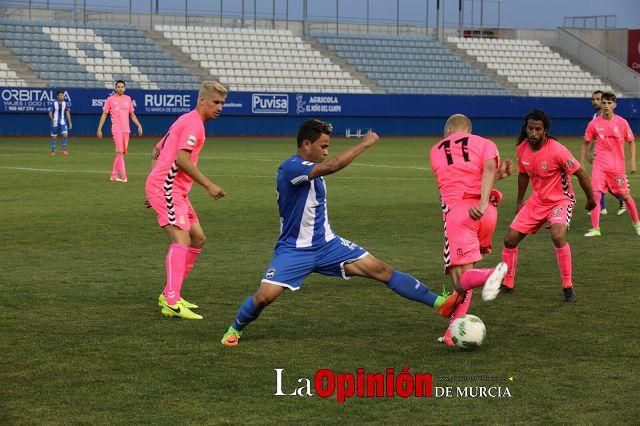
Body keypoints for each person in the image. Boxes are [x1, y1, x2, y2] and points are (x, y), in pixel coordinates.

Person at [221, 119, 464, 347]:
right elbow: (333, 165)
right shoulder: (291, 167)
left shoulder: (310, 169)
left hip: (328, 245)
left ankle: (439, 303)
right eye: (323, 146)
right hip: (294, 250)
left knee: (382, 270)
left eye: (328, 147)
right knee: (264, 297)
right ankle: (234, 329)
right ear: (306, 145)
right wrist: (364, 144)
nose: (326, 151)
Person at [145, 81, 227, 320]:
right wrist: (209, 185)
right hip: (168, 189)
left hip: (173, 190)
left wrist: (154, 181)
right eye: (216, 102)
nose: (220, 107)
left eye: (222, 103)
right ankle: (171, 300)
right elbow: (181, 159)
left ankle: (170, 293)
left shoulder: (186, 119)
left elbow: (156, 149)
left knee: (197, 239)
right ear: (203, 101)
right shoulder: (194, 125)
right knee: (181, 239)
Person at [429, 114, 512, 346]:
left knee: (460, 281)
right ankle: (452, 333)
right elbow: (486, 170)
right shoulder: (485, 143)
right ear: (469, 129)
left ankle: (491, 273)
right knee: (468, 274)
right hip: (488, 214)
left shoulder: (436, 150)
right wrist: (494, 185)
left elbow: (458, 183)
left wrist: (480, 202)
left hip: (460, 213)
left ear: (447, 129)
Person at [500, 109, 596, 303]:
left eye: (537, 129)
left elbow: (581, 173)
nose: (533, 133)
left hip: (561, 200)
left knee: (558, 235)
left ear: (545, 131)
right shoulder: (522, 148)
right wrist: (520, 201)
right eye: (530, 128)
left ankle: (567, 286)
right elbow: (524, 174)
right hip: (537, 201)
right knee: (509, 239)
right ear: (525, 129)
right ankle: (508, 281)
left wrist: (591, 199)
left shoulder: (558, 150)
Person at [581, 92, 639, 237]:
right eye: (604, 102)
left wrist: (632, 161)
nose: (606, 105)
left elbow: (631, 142)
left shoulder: (622, 122)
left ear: (614, 105)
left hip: (617, 168)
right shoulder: (594, 124)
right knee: (596, 195)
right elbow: (585, 142)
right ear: (601, 104)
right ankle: (596, 228)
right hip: (599, 166)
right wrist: (581, 163)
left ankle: (637, 223)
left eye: (609, 103)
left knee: (625, 196)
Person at [586, 90, 625, 216]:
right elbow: (594, 137)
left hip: (609, 157)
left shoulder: (608, 117)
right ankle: (601, 207)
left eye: (598, 99)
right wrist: (591, 151)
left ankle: (620, 200)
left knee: (605, 182)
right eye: (593, 99)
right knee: (600, 182)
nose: (595, 102)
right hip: (601, 154)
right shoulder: (596, 116)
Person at [97, 80, 143, 183]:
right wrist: (99, 128)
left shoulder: (128, 99)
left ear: (125, 88)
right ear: (115, 88)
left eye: (122, 87)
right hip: (116, 129)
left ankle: (114, 175)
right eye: (118, 87)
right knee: (120, 152)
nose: (120, 88)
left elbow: (132, 114)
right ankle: (124, 176)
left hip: (126, 130)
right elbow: (104, 114)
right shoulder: (110, 99)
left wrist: (138, 125)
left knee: (121, 154)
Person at [48, 90, 72, 156]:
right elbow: (50, 112)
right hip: (55, 122)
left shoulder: (65, 103)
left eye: (62, 95)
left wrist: (70, 122)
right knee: (54, 137)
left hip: (62, 121)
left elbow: (67, 112)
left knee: (65, 134)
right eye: (60, 95)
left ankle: (63, 150)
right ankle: (53, 151)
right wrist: (52, 119)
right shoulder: (53, 103)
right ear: (57, 96)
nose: (61, 97)